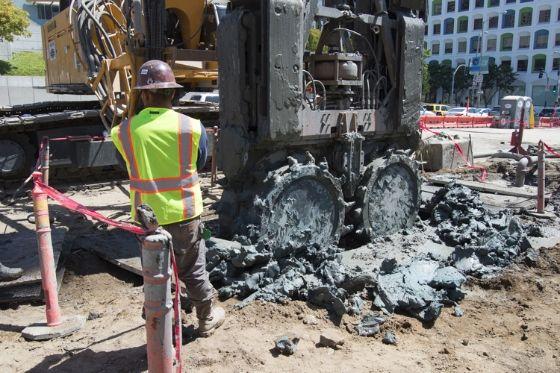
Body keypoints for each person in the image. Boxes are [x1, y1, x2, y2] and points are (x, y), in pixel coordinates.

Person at [111, 60, 225, 337]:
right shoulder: (192, 127)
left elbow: (125, 165)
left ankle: (162, 322)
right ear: (172, 93)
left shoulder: (123, 131)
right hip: (185, 214)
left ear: (144, 94)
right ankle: (206, 319)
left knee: (157, 271)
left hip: (147, 218)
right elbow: (198, 163)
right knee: (194, 271)